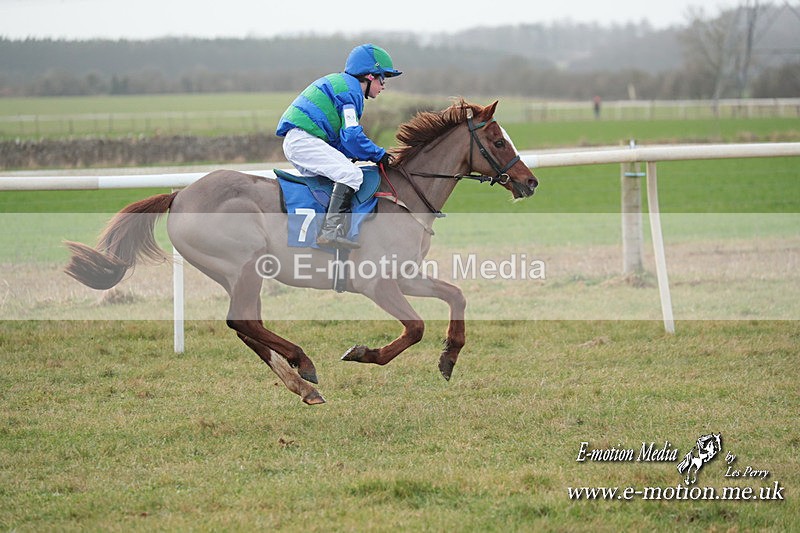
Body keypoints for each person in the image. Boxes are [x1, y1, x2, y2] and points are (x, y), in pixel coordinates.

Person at [276, 43, 402, 249]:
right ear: (369, 76)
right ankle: (330, 231)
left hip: (303, 140)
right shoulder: (350, 91)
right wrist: (380, 155)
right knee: (351, 175)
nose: (384, 85)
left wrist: (363, 154)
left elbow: (344, 140)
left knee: (341, 176)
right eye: (383, 78)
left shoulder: (345, 86)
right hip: (304, 141)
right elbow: (352, 136)